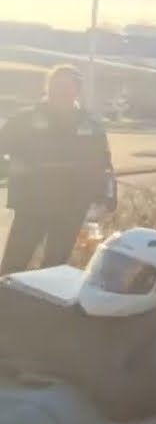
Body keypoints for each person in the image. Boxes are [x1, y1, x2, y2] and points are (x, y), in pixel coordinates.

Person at [1, 66, 113, 274]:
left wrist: (104, 201)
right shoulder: (25, 121)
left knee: (54, 270)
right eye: (55, 86)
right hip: (31, 205)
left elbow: (103, 166)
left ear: (77, 91)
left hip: (71, 209)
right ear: (47, 88)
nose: (60, 92)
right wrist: (11, 167)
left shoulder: (90, 126)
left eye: (66, 87)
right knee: (13, 267)